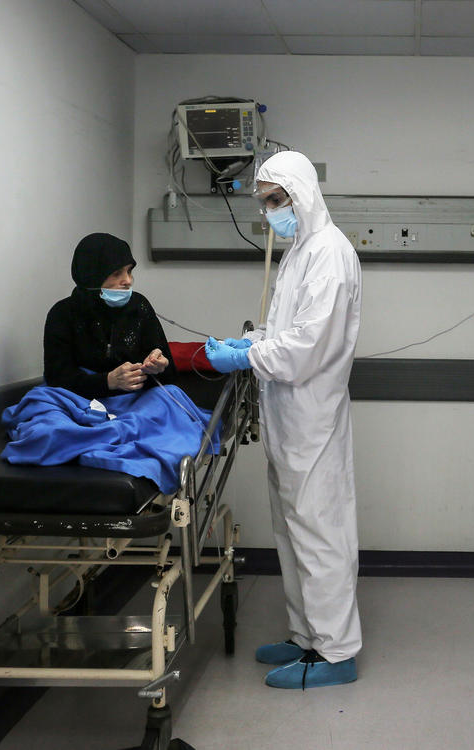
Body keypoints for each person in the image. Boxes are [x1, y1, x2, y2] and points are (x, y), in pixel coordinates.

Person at [204, 151, 363, 689]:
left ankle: (337, 652)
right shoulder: (300, 251)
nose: (271, 212)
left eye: (277, 200)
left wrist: (246, 358)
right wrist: (248, 343)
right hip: (288, 418)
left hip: (311, 416)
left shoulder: (330, 255)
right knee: (292, 531)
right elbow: (282, 329)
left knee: (319, 535)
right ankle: (305, 636)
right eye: (267, 203)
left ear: (303, 195)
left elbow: (306, 347)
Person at [44, 232, 175, 399]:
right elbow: (56, 378)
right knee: (45, 413)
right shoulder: (62, 314)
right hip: (78, 400)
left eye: (129, 271)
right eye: (116, 273)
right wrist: (108, 381)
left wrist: (160, 367)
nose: (128, 281)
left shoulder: (140, 307)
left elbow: (169, 377)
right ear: (91, 274)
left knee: (169, 402)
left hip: (137, 401)